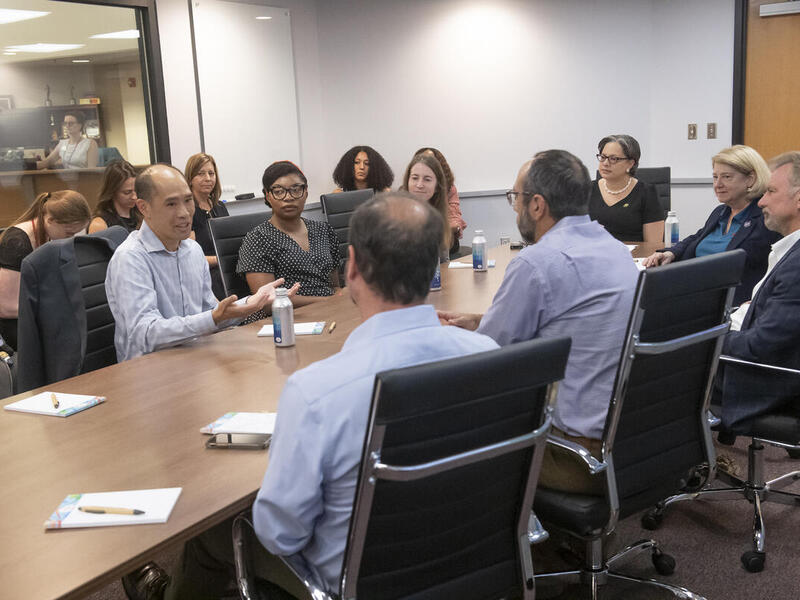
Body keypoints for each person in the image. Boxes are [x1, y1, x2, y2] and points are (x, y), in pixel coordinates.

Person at [137, 192, 498, 600]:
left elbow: (280, 533)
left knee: (215, 532)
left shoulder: (318, 391)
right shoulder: (487, 356)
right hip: (470, 557)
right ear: (433, 264)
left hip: (356, 579)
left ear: (354, 268)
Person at [439, 150, 638, 495]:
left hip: (575, 455)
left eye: (516, 197)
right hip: (630, 437)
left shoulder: (537, 262)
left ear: (537, 205)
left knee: (445, 431)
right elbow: (572, 320)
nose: (514, 206)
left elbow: (490, 362)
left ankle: (514, 543)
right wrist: (484, 321)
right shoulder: (615, 248)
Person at [105, 164, 287, 362]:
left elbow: (211, 313)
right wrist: (213, 318)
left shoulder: (193, 251)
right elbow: (146, 334)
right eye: (171, 204)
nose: (184, 213)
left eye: (188, 200)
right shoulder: (130, 258)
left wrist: (252, 302)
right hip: (151, 370)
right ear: (143, 207)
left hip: (197, 359)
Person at [718, 151, 800, 433]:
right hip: (769, 365)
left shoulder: (797, 266)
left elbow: (757, 348)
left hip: (769, 384)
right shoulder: (788, 251)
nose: (761, 201)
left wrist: (707, 340)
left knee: (649, 369)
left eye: (771, 191)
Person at [643, 145, 779, 305]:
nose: (718, 184)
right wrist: (671, 253)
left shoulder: (766, 217)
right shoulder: (721, 212)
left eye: (727, 177)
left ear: (750, 179)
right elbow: (698, 237)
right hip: (691, 293)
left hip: (729, 304)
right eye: (715, 177)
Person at [237, 161, 340, 309]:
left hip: (332, 311)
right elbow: (266, 303)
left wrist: (340, 298)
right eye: (279, 191)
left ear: (306, 192)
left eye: (296, 189)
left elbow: (335, 286)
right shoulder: (257, 239)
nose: (288, 197)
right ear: (268, 196)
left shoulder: (323, 230)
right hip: (287, 318)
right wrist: (327, 301)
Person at [0, 190, 90, 350]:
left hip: (32, 314)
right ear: (50, 220)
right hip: (12, 325)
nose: (70, 239)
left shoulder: (49, 235)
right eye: (69, 233)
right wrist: (51, 308)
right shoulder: (16, 242)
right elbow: (6, 308)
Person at [588, 134, 664, 242]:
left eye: (613, 159)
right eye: (603, 157)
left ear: (630, 163)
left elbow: (652, 245)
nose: (605, 163)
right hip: (592, 256)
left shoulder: (647, 193)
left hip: (632, 257)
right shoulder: (585, 190)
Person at [185, 152, 229, 298]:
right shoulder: (187, 211)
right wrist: (220, 259)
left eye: (211, 173)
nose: (208, 179)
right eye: (201, 174)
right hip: (205, 277)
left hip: (225, 270)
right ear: (190, 179)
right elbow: (190, 258)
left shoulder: (220, 207)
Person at [401, 152, 452, 262]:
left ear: (437, 186)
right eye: (414, 178)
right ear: (407, 181)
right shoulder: (394, 216)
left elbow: (443, 262)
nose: (419, 185)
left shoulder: (438, 218)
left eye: (427, 179)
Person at [415, 147, 467, 253]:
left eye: (430, 161)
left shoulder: (449, 188)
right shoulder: (408, 190)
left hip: (445, 243)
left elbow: (454, 221)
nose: (426, 164)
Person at [88, 159, 141, 234]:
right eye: (127, 192)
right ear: (112, 191)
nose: (134, 197)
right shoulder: (100, 225)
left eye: (136, 190)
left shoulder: (143, 217)